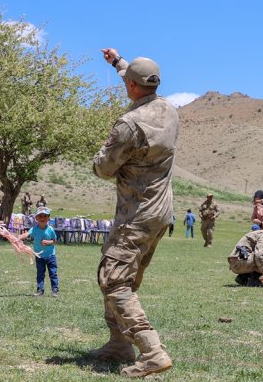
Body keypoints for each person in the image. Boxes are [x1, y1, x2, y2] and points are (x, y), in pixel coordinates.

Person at [89, 49, 178, 378]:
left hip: (136, 212)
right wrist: (118, 63)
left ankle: (151, 351)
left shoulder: (130, 124)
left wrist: (100, 151)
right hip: (159, 212)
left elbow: (103, 168)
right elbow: (139, 78)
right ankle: (118, 344)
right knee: (120, 276)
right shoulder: (169, 111)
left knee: (114, 281)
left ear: (131, 87)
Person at [18, 207, 59, 297]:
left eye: (45, 216)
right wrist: (19, 238)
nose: (42, 218)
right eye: (40, 216)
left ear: (48, 218)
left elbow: (55, 241)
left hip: (51, 256)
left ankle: (55, 290)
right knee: (40, 274)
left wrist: (48, 242)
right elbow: (27, 234)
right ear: (36, 218)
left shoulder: (50, 229)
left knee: (53, 273)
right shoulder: (34, 229)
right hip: (39, 256)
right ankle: (40, 290)